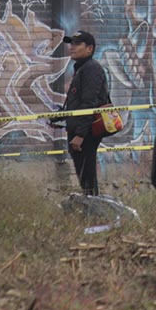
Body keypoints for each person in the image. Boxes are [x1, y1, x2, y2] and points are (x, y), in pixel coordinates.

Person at [60, 30, 109, 196]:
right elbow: (79, 103)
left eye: (77, 44)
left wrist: (80, 135)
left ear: (90, 48)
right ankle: (91, 207)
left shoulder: (91, 69)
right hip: (79, 129)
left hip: (86, 133)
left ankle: (94, 210)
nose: (71, 47)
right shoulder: (81, 68)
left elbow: (89, 104)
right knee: (84, 176)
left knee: (87, 176)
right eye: (71, 43)